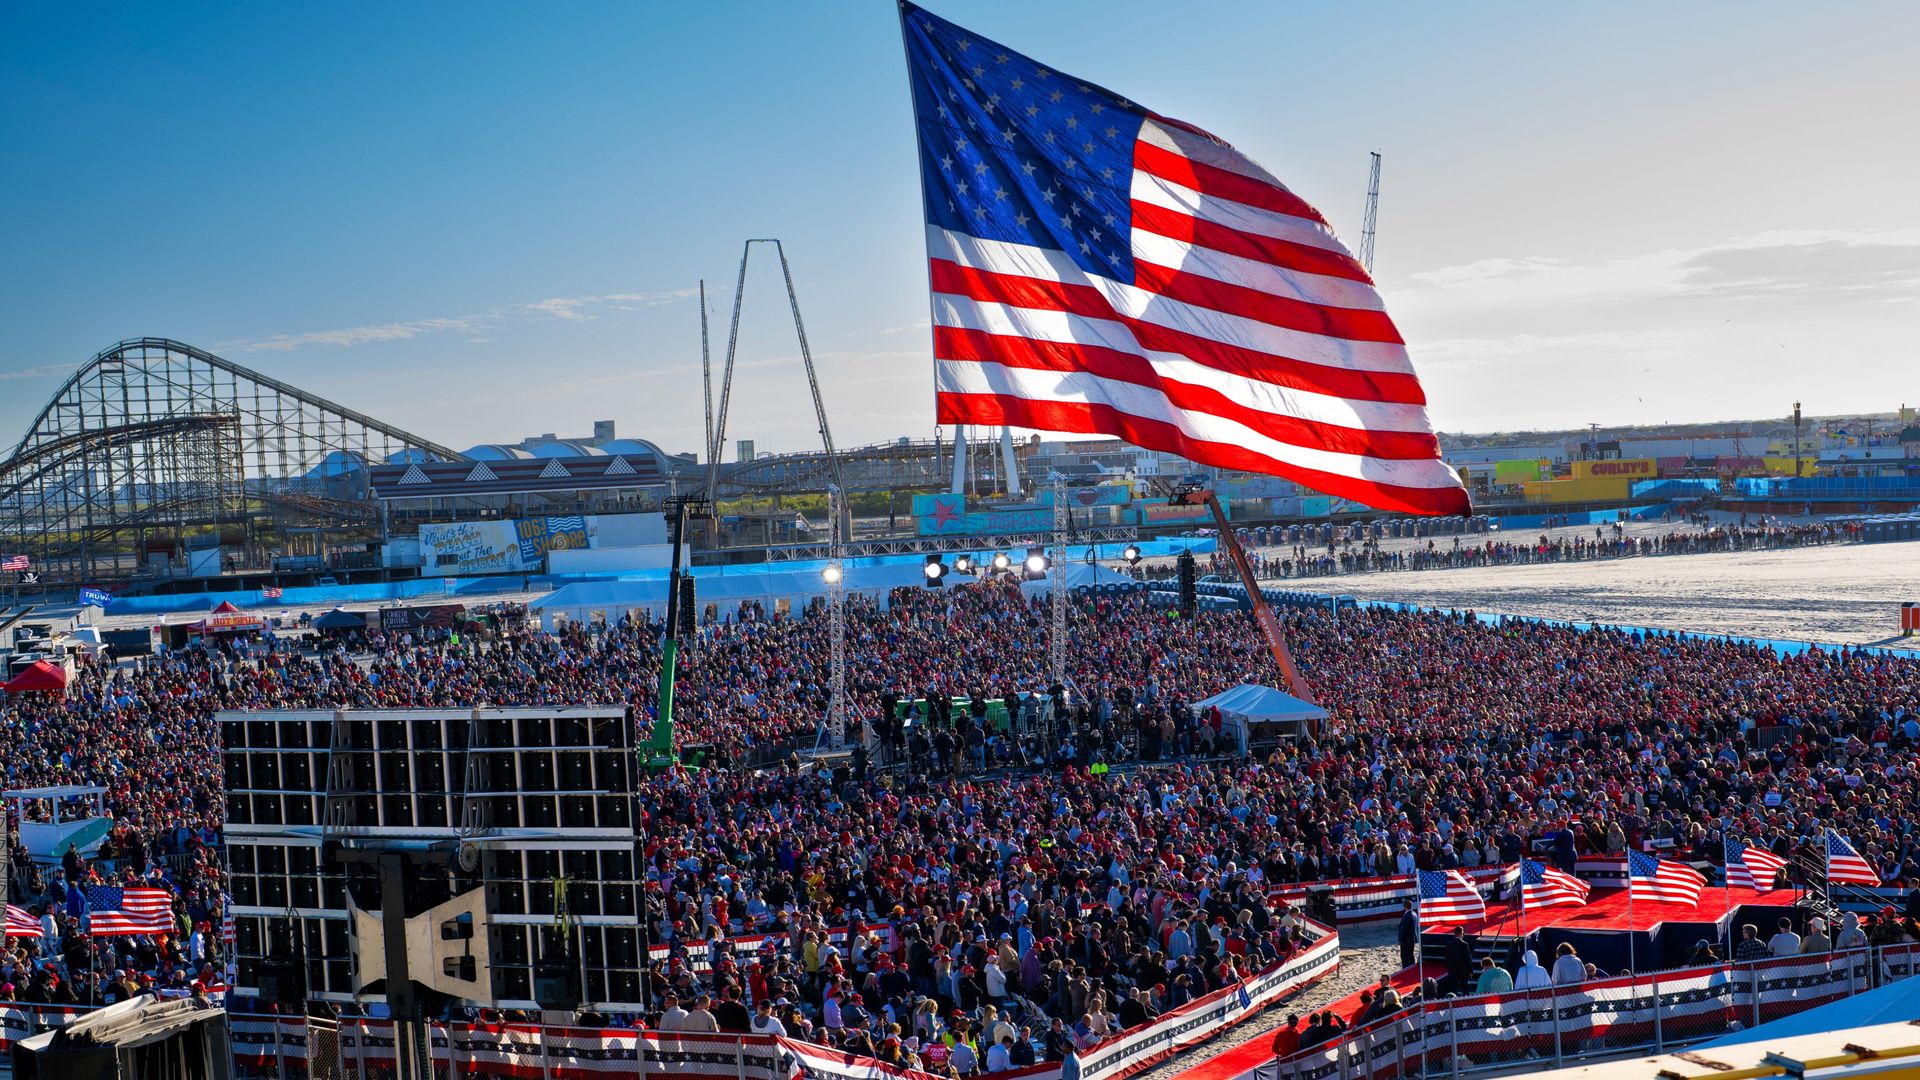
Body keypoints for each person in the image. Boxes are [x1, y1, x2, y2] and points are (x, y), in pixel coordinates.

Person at [1444, 927, 1474, 994]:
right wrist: (1471, 971)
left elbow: (1446, 958)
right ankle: (1466, 1002)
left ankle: (1453, 1003)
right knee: (1465, 989)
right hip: (1463, 971)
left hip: (1452, 970)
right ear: (1461, 933)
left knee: (1453, 989)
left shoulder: (1449, 945)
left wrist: (1448, 968)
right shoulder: (1464, 945)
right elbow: (1468, 959)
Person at [1397, 901, 1418, 968]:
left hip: (1406, 940)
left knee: (1405, 956)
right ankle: (1411, 968)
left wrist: (1400, 939)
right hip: (1412, 938)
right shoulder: (1414, 913)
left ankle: (1406, 969)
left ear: (1405, 906)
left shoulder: (1407, 915)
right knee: (1410, 955)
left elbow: (1404, 929)